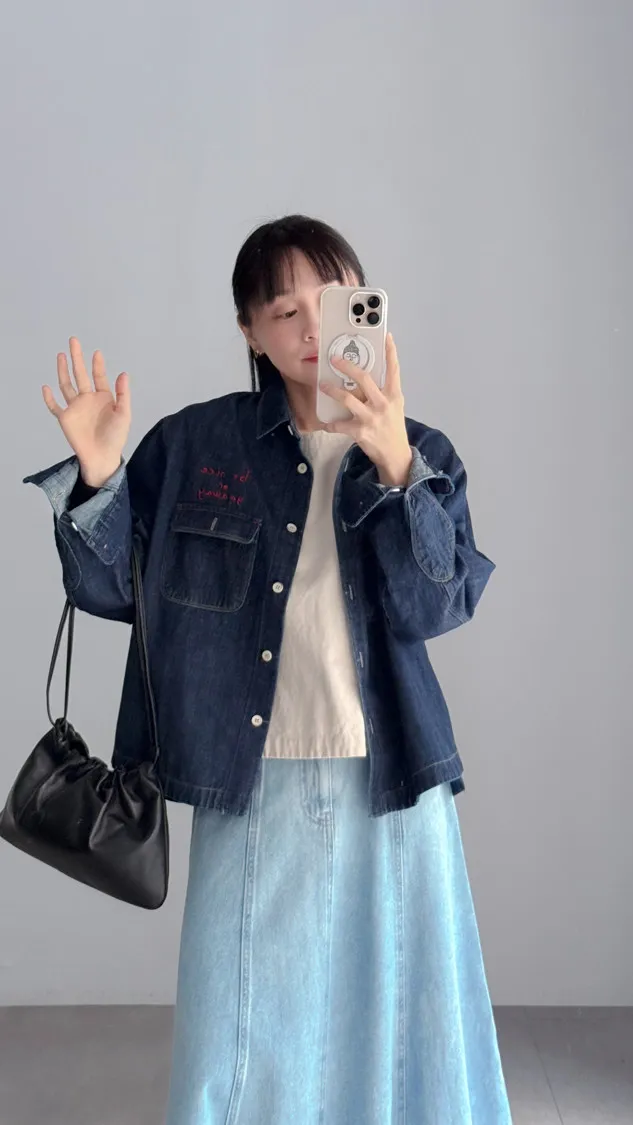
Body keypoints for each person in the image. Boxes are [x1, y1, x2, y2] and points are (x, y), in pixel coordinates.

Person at [26, 215, 513, 1123]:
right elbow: (109, 589)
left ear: (366, 304)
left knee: (400, 1010)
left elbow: (433, 607)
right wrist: (97, 479)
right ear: (250, 330)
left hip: (388, 776)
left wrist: (394, 461)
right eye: (285, 311)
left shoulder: (423, 452)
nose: (312, 328)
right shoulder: (194, 445)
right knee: (240, 1024)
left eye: (332, 302)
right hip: (247, 778)